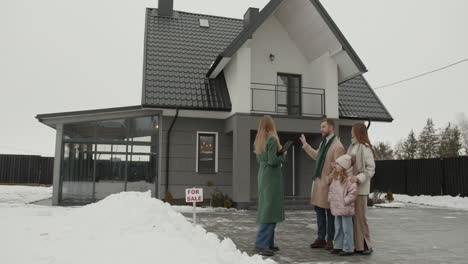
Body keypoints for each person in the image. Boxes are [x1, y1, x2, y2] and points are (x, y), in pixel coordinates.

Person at [300, 118, 345, 250]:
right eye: (321, 127)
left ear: (331, 127)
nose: (321, 129)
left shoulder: (338, 146)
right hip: (318, 184)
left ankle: (330, 239)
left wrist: (328, 179)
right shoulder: (323, 143)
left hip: (329, 185)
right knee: (319, 211)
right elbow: (316, 156)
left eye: (323, 127)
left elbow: (339, 167)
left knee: (330, 213)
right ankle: (321, 238)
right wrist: (305, 145)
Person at [253, 116, 287, 257]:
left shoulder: (259, 140)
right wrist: (283, 156)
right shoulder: (272, 139)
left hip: (263, 176)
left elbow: (263, 158)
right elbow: (273, 161)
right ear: (271, 125)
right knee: (269, 210)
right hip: (272, 178)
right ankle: (261, 244)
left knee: (268, 208)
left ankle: (269, 243)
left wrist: (276, 154)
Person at [347, 123, 376, 255]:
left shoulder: (365, 148)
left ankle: (366, 245)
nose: (350, 132)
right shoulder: (351, 146)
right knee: (353, 218)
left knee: (361, 218)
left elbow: (370, 169)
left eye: (352, 130)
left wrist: (358, 178)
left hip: (361, 189)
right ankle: (357, 245)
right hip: (350, 188)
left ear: (358, 131)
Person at [328, 154, 358, 256]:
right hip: (337, 208)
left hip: (346, 208)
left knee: (347, 229)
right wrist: (331, 198)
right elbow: (332, 190)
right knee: (338, 228)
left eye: (338, 164)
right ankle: (338, 246)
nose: (335, 166)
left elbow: (353, 193)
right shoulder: (336, 178)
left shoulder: (350, 179)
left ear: (344, 166)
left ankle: (348, 248)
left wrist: (345, 201)